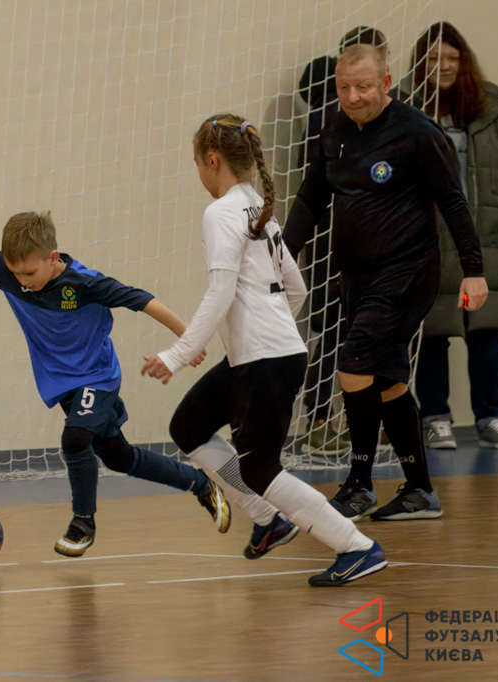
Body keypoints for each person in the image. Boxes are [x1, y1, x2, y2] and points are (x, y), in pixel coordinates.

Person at [142, 114, 386, 587]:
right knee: (188, 426)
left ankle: (357, 547)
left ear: (213, 161)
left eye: (197, 163)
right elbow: (296, 289)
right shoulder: (258, 208)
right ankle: (268, 518)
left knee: (260, 468)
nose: (199, 172)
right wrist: (267, 332)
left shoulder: (220, 213)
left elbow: (220, 293)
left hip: (265, 358)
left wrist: (176, 354)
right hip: (268, 354)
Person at [0, 212, 230, 558]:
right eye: (15, 274)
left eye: (29, 274)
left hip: (97, 377)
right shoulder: (6, 271)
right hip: (63, 384)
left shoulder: (84, 284)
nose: (22, 282)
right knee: (118, 457)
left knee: (75, 439)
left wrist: (188, 341)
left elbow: (142, 300)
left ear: (52, 258)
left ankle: (83, 523)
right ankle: (200, 483)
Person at [283, 44, 488, 522]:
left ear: (386, 83)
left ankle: (359, 484)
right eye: (344, 87)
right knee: (388, 381)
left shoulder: (417, 133)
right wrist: (280, 255)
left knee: (354, 365)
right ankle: (420, 491)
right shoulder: (335, 130)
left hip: (407, 273)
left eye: (364, 86)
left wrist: (474, 270)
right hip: (356, 278)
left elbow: (453, 202)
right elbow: (311, 199)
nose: (353, 97)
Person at [399, 23, 498, 451]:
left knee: (486, 331)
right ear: (422, 63)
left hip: (486, 236)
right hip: (429, 238)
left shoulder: (491, 109)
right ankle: (436, 418)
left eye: (453, 58)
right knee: (434, 332)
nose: (445, 66)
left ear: (464, 61)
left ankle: (493, 418)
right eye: (435, 58)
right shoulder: (407, 108)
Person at [295, 26, 387, 455]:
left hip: (380, 247)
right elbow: (311, 190)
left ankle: (363, 421)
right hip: (332, 245)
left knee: (373, 336)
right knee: (333, 332)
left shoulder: (397, 119)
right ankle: (318, 418)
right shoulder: (326, 119)